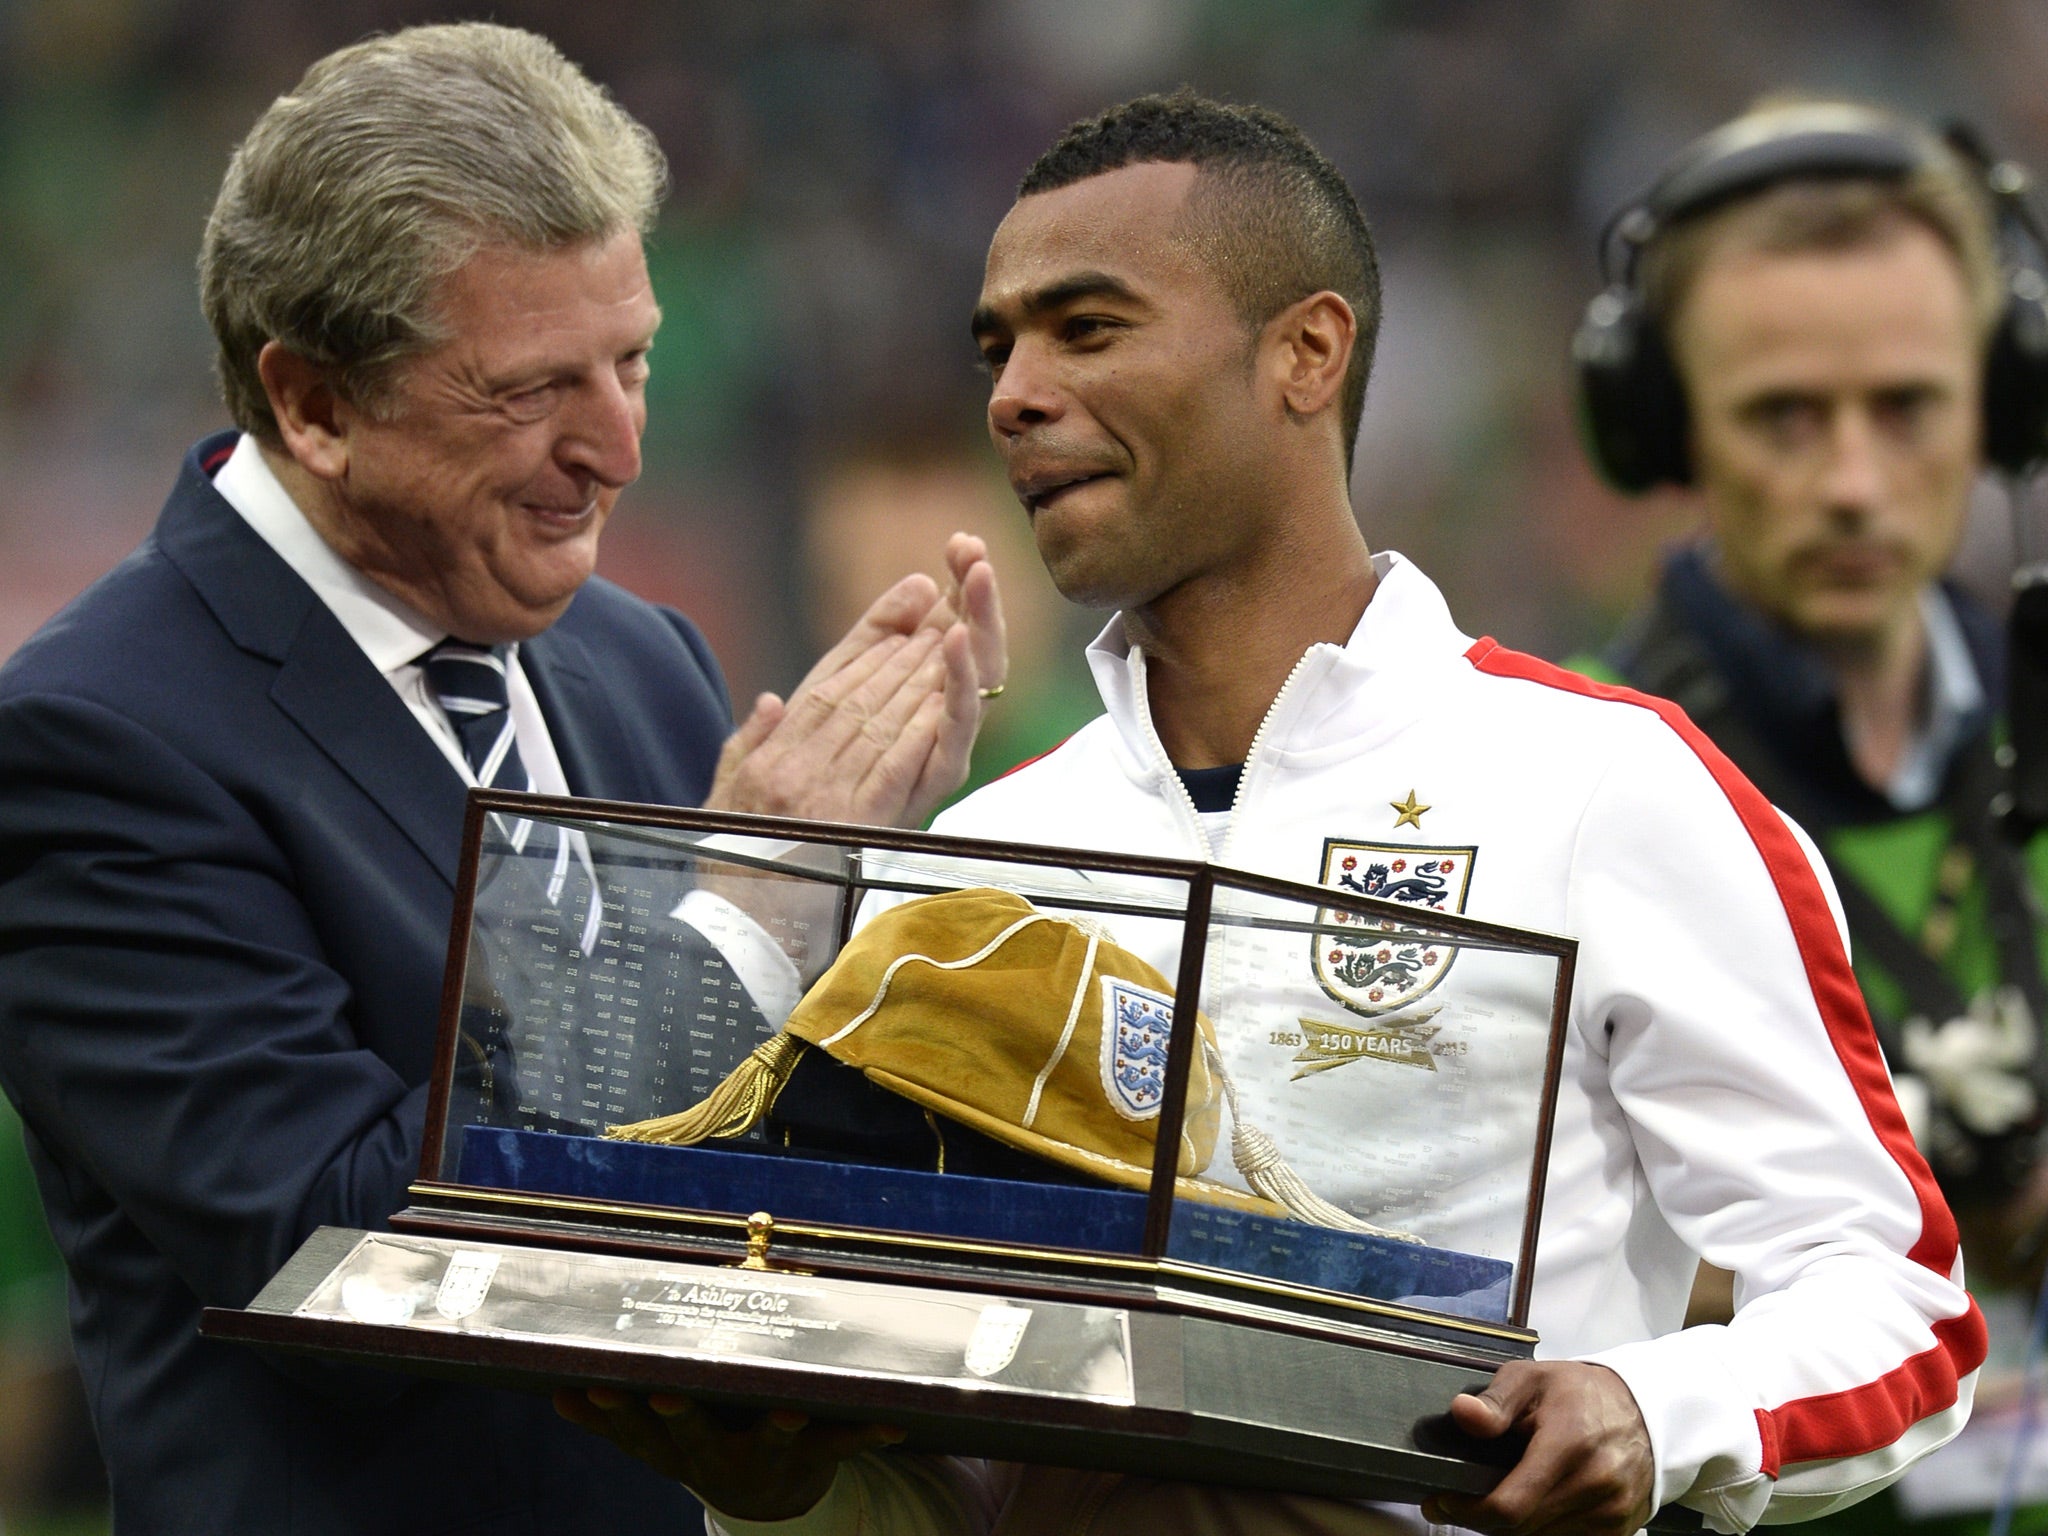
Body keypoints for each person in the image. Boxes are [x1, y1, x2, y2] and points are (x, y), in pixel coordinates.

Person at [559, 92, 1987, 1536]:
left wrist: (1652, 1411)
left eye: (1088, 327)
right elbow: (955, 1471)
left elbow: (1899, 1306)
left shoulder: (1609, 786)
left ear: (1307, 353)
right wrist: (779, 1492)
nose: (1013, 394)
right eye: (999, 348)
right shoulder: (970, 866)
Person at [0, 23, 1001, 1536]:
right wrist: (743, 910)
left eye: (635, 361)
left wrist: (884, 919)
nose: (615, 447)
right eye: (531, 390)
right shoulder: (94, 741)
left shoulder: (641, 660)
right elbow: (335, 1253)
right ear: (314, 402)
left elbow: (743, 1181)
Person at [1570, 102, 2048, 1534]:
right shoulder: (1562, 778)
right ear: (1669, 430)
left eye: (1907, 408)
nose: (1851, 482)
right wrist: (1890, 1249)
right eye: (1783, 416)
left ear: (2002, 404)